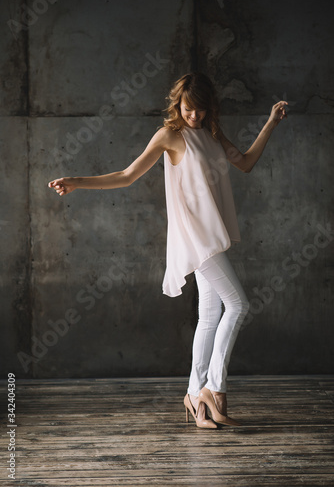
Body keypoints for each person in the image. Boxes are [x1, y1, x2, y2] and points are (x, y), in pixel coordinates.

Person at [49, 72, 287, 429]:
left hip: (212, 233)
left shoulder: (211, 135)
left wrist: (270, 123)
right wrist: (76, 182)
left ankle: (195, 396)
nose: (195, 117)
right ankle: (215, 391)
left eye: (201, 111)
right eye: (190, 109)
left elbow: (247, 162)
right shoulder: (169, 136)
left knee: (210, 315)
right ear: (179, 104)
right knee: (238, 305)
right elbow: (127, 175)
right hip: (196, 238)